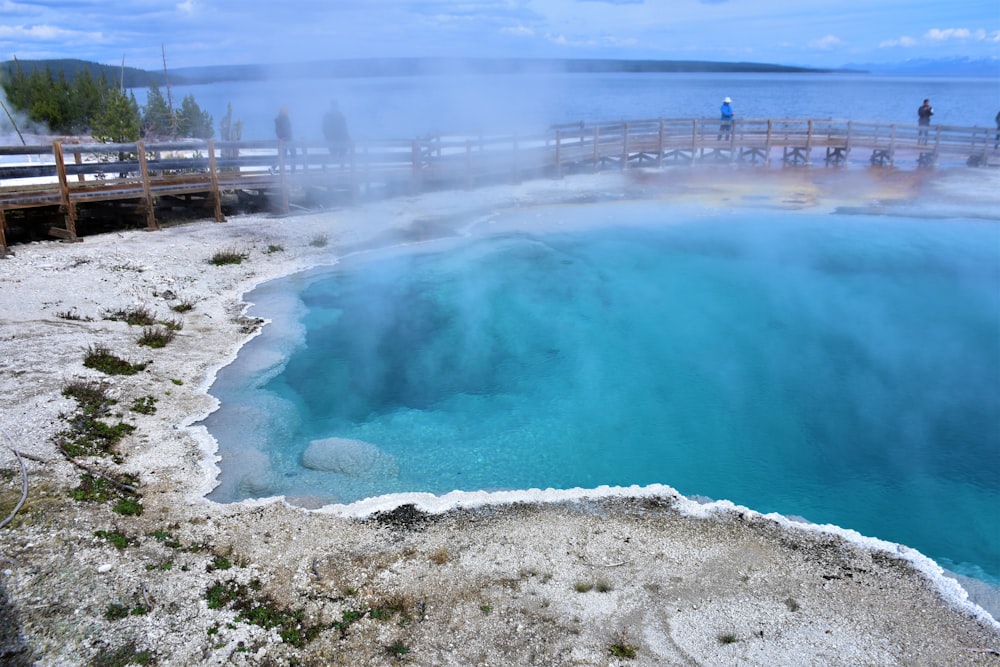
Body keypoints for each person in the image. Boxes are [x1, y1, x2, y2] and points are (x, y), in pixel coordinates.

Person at [322, 99, 350, 166]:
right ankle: (335, 164)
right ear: (331, 107)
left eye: (335, 106)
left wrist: (347, 138)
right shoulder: (327, 116)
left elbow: (344, 129)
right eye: (333, 106)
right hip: (331, 139)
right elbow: (324, 128)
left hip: (341, 139)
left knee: (343, 152)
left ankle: (342, 165)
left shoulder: (341, 116)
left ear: (337, 107)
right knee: (334, 154)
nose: (334, 108)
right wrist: (328, 137)